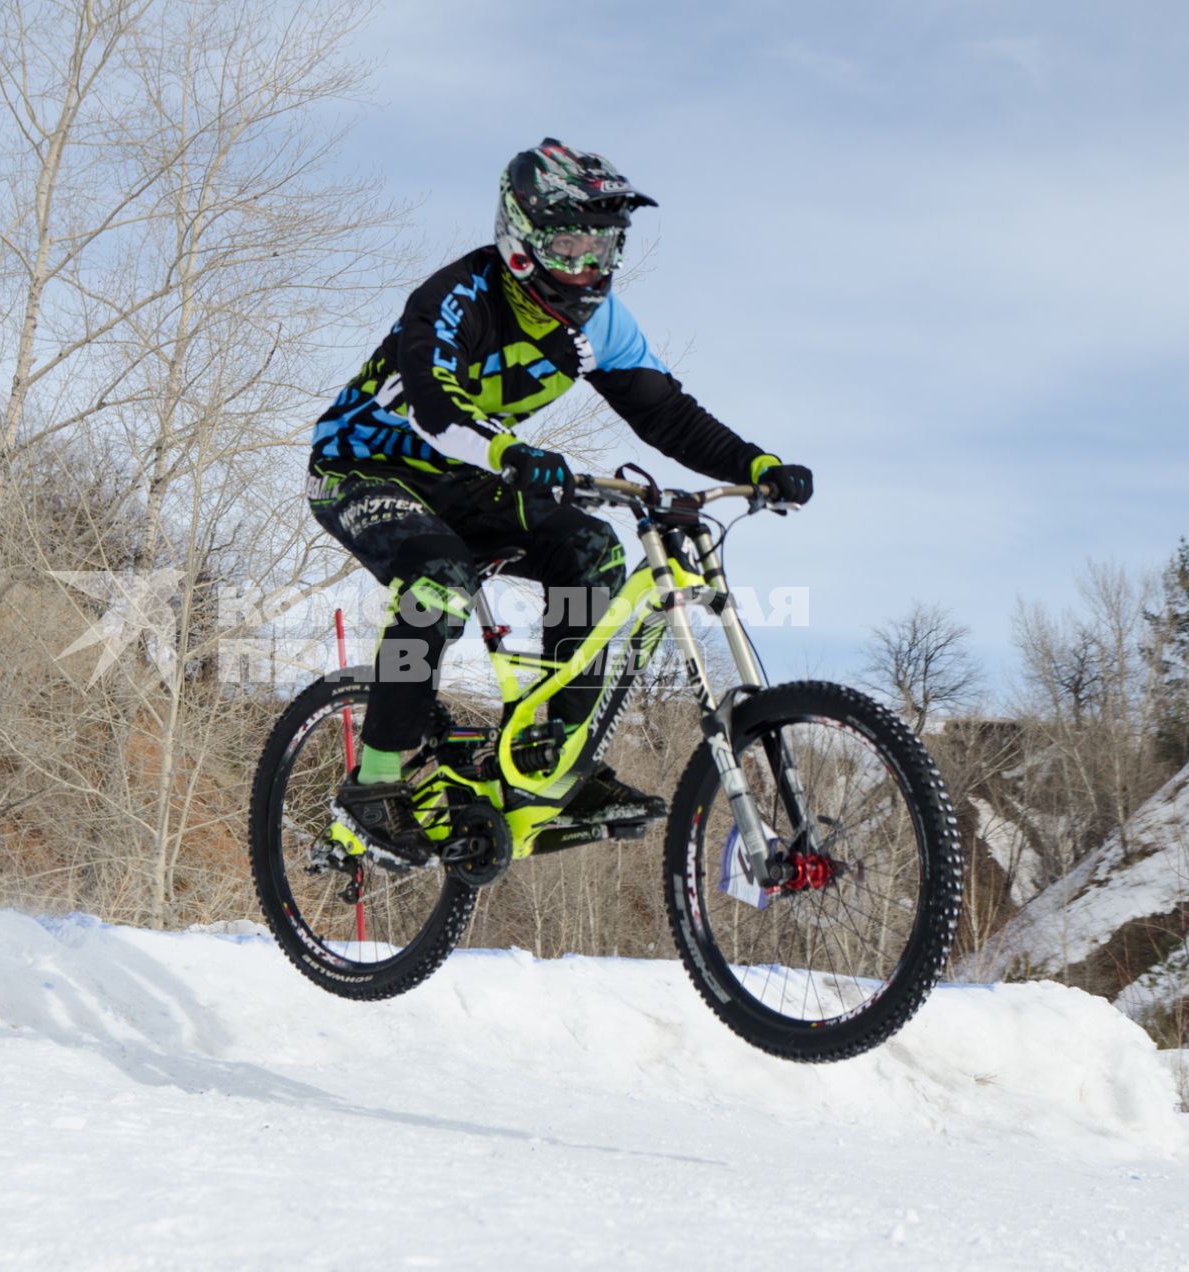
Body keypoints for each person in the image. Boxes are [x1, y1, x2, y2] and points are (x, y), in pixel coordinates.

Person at [308, 138, 814, 866]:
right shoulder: (460, 295)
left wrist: (755, 463)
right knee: (437, 582)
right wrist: (510, 452)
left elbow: (666, 414)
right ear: (523, 237)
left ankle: (556, 762)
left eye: (606, 246)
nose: (591, 266)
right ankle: (375, 781)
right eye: (572, 243)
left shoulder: (600, 324)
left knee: (594, 552)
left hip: (468, 477)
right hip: (363, 465)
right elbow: (430, 406)